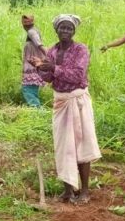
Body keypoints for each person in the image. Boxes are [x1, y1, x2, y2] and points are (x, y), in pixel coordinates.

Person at [31, 14, 101, 204]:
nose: (65, 31)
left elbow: (78, 76)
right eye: (62, 27)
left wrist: (52, 68)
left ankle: (84, 191)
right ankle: (68, 190)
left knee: (81, 145)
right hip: (61, 102)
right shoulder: (52, 50)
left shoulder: (81, 50)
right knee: (64, 146)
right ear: (56, 29)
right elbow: (49, 79)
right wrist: (39, 67)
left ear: (74, 31)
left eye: (69, 28)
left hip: (77, 101)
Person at [20, 14, 47, 108]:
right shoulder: (33, 31)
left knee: (28, 89)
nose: (25, 25)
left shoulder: (31, 32)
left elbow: (40, 45)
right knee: (31, 90)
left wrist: (50, 55)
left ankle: (37, 110)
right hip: (34, 65)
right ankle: (37, 109)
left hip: (32, 66)